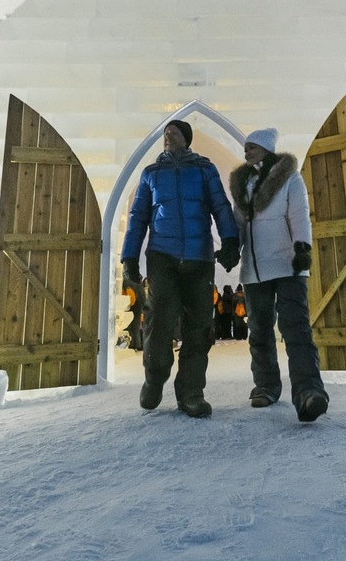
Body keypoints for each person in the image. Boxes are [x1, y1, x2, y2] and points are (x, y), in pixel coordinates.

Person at [121, 119, 239, 418]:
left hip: (200, 258)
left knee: (199, 326)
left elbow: (221, 207)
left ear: (186, 138)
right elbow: (138, 218)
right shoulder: (152, 174)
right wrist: (129, 258)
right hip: (163, 256)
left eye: (174, 133)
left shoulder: (204, 169)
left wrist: (229, 242)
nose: (167, 137)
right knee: (159, 320)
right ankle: (155, 377)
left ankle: (191, 392)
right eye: (165, 134)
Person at [229, 128, 329, 422]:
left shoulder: (289, 179)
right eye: (245, 148)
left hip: (288, 266)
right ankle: (266, 386)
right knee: (258, 331)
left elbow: (299, 214)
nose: (247, 152)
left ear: (266, 149)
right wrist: (232, 247)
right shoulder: (243, 184)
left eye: (252, 147)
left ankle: (309, 391)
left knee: (295, 329)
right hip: (254, 269)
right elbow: (239, 223)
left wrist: (302, 249)